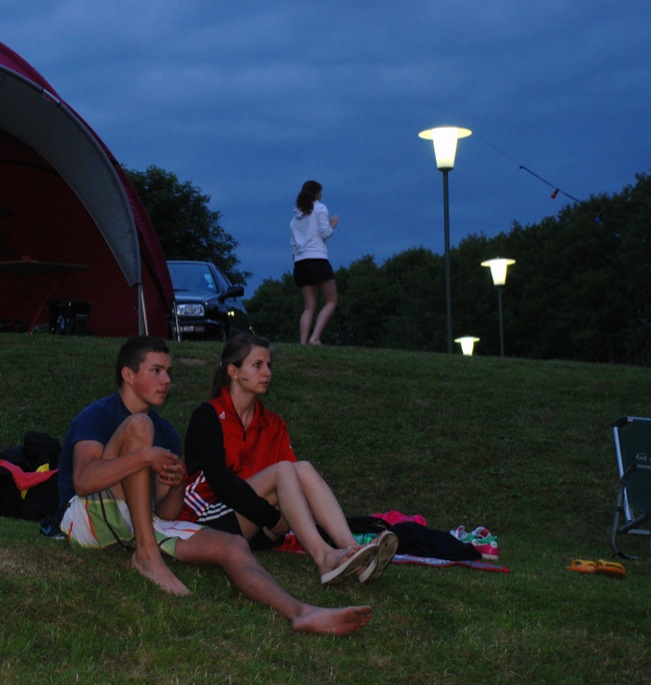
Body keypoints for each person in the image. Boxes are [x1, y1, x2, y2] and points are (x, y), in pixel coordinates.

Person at [57, 335, 374, 636]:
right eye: (156, 371)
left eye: (169, 372)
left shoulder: (166, 432)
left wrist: (176, 484)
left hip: (141, 523)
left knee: (232, 545)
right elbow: (84, 482)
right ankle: (147, 557)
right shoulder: (99, 415)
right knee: (140, 425)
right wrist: (144, 457)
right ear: (128, 374)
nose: (166, 380)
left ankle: (302, 613)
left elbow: (166, 512)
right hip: (88, 517)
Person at [180, 334, 398, 584]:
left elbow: (294, 487)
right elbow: (222, 484)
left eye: (269, 365)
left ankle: (354, 553)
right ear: (233, 371)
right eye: (257, 365)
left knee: (301, 468)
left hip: (256, 526)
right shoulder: (207, 416)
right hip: (207, 522)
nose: (267, 372)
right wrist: (273, 518)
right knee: (284, 470)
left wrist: (282, 518)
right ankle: (324, 557)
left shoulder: (273, 424)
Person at [290, 179, 339, 345]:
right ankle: (315, 337)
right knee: (331, 301)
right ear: (317, 193)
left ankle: (303, 343)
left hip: (300, 263)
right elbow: (325, 233)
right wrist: (332, 224)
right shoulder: (320, 208)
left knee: (309, 306)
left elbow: (293, 243)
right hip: (317, 259)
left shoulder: (296, 215)